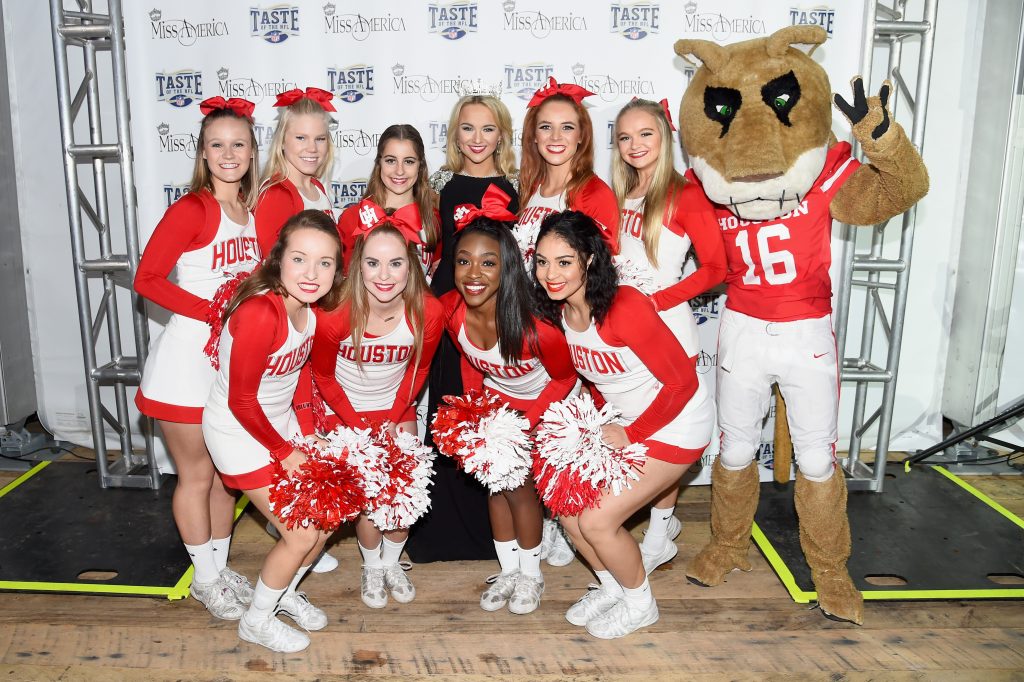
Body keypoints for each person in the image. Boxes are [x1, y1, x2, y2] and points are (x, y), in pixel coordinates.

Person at [532, 210, 714, 639]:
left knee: (597, 521)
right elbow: (598, 380)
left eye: (564, 262)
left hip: (677, 423)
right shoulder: (560, 310)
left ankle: (641, 605)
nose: (550, 274)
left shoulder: (624, 306)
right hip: (628, 424)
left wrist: (631, 434)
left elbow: (682, 383)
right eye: (542, 261)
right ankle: (613, 587)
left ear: (589, 261)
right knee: (567, 511)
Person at [135, 96, 262, 619]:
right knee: (196, 476)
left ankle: (218, 566)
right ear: (203, 152)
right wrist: (215, 309)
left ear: (253, 151)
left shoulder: (247, 211)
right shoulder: (193, 208)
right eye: (217, 145)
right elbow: (146, 279)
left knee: (222, 475)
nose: (228, 154)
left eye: (238, 144)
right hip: (185, 362)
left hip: (224, 362)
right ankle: (205, 579)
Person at [203, 210, 344, 653]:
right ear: (277, 258)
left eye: (325, 263)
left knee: (323, 521)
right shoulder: (262, 312)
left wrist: (306, 433)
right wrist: (286, 451)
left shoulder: (310, 311)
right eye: (300, 259)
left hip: (277, 427)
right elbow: (240, 401)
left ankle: (281, 593)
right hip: (237, 433)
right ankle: (257, 621)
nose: (312, 273)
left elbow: (298, 375)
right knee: (301, 534)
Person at [442, 185, 577, 614]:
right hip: (500, 405)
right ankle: (509, 570)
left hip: (549, 405)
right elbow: (470, 361)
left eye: (488, 263)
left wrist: (526, 424)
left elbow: (564, 377)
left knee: (520, 490)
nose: (473, 273)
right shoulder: (451, 312)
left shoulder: (536, 326)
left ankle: (532, 577)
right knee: (495, 487)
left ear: (509, 268)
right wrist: (474, 409)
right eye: (463, 261)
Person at [610, 98, 727, 573]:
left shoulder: (686, 194)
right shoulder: (616, 193)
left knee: (666, 425)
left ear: (665, 138)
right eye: (625, 137)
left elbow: (718, 268)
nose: (635, 145)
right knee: (628, 414)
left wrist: (661, 299)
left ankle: (660, 535)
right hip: (617, 324)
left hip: (665, 324)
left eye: (646, 134)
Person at [311, 199, 443, 609]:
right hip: (342, 413)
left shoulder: (428, 311)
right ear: (357, 266)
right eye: (372, 264)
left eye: (395, 264)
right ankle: (371, 567)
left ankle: (390, 562)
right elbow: (323, 377)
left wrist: (394, 417)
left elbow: (417, 373)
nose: (384, 276)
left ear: (411, 266)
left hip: (396, 411)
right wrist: (355, 425)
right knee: (368, 503)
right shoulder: (335, 314)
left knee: (402, 502)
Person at [408, 93, 520, 562]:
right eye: (468, 128)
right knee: (449, 411)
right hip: (451, 303)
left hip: (500, 307)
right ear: (456, 134)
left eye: (487, 129)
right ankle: (444, 529)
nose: (477, 139)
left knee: (494, 415)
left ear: (502, 134)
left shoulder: (519, 184)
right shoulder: (438, 183)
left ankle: (503, 531)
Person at [515, 77, 619, 260]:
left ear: (581, 136)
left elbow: (604, 271)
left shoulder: (595, 195)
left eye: (567, 128)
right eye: (546, 127)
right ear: (534, 136)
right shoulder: (530, 187)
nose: (556, 137)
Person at [338, 125, 440, 280]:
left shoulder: (433, 219)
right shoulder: (353, 218)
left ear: (420, 166)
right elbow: (343, 284)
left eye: (409, 161)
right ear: (379, 164)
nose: (399, 171)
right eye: (391, 161)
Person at [254, 87, 337, 255]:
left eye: (320, 139)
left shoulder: (316, 186)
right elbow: (274, 266)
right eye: (301, 138)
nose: (312, 148)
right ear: (282, 141)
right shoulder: (277, 194)